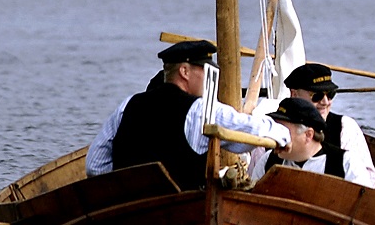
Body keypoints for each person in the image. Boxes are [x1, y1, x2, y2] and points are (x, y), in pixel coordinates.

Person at [86, 39, 290, 188]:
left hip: (128, 210)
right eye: (206, 71)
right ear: (184, 71)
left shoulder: (127, 105)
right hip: (181, 211)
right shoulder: (202, 110)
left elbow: (95, 166)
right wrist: (283, 135)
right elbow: (252, 130)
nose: (211, 79)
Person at [281, 62, 375, 189]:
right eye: (317, 96)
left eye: (330, 94)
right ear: (294, 95)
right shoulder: (272, 130)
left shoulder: (345, 128)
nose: (325, 102)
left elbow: (367, 183)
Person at [249, 95, 375, 187]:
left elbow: (365, 207)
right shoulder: (267, 161)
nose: (275, 136)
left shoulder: (346, 164)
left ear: (308, 135)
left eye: (283, 131)